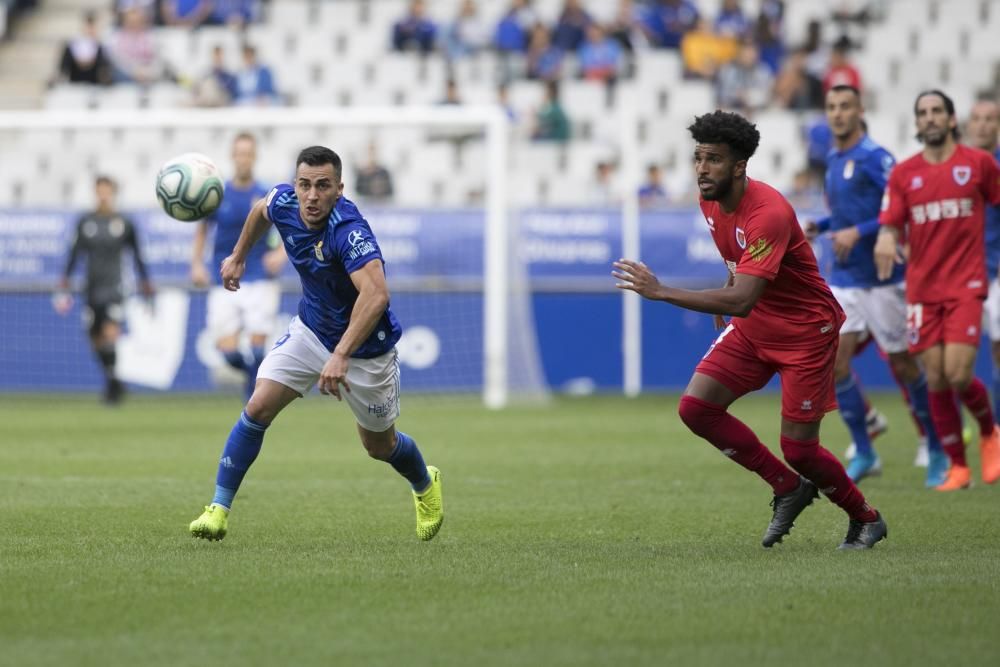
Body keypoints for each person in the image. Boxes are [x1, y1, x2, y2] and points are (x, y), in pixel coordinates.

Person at [612, 110, 886, 549]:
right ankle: (787, 487)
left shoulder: (770, 211)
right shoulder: (710, 199)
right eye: (698, 157)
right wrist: (729, 283)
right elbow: (739, 267)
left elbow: (743, 298)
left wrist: (662, 291)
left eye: (714, 160)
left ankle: (866, 517)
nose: (702, 169)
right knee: (696, 409)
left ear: (739, 166)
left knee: (800, 449)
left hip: (804, 333)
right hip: (755, 327)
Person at [188, 146, 443, 542]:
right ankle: (218, 509)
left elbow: (376, 296)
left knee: (379, 445)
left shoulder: (348, 231)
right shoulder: (284, 201)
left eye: (322, 186)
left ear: (339, 189)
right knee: (257, 405)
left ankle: (424, 482)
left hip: (365, 350)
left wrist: (341, 355)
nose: (311, 195)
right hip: (310, 331)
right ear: (295, 185)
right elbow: (260, 210)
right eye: (305, 185)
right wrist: (238, 256)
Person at [805, 85, 947, 486]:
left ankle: (935, 446)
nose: (837, 113)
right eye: (831, 107)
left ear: (859, 111)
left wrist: (859, 232)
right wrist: (826, 225)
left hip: (884, 280)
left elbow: (901, 207)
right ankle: (865, 450)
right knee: (834, 362)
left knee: (904, 365)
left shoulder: (876, 158)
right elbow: (850, 212)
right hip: (846, 280)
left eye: (845, 106)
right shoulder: (833, 158)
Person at [875, 90, 1000, 490]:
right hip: (922, 290)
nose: (929, 118)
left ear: (950, 120)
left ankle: (989, 431)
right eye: (922, 113)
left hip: (966, 284)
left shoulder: (978, 164)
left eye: (936, 112)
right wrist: (887, 237)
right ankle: (959, 467)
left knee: (958, 374)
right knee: (935, 380)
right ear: (917, 123)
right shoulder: (904, 174)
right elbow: (891, 220)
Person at [190, 133, 285, 401]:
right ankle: (256, 384)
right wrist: (196, 264)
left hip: (259, 277)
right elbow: (202, 231)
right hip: (224, 279)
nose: (243, 159)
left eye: (248, 154)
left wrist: (280, 254)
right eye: (239, 153)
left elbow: (289, 228)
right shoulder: (218, 193)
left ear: (254, 157)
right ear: (233, 157)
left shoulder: (266, 193)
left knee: (257, 348)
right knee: (228, 353)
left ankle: (253, 403)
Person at [55, 176, 154, 404]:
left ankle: (112, 389)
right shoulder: (85, 222)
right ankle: (114, 380)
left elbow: (138, 255)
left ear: (113, 193)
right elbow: (74, 253)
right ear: (95, 192)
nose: (103, 195)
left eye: (107, 191)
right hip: (91, 288)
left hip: (115, 287)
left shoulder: (124, 223)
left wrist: (145, 282)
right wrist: (65, 280)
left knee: (110, 333)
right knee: (94, 338)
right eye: (100, 191)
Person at [966, 99, 1000, 426]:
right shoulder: (958, 165)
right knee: (948, 361)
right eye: (977, 118)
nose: (984, 125)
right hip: (961, 273)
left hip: (996, 270)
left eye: (991, 119)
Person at [55, 11, 112, 86]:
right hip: (74, 85)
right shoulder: (72, 45)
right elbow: (63, 68)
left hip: (94, 85)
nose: (91, 29)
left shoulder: (100, 47)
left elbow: (104, 69)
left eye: (93, 26)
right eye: (89, 26)